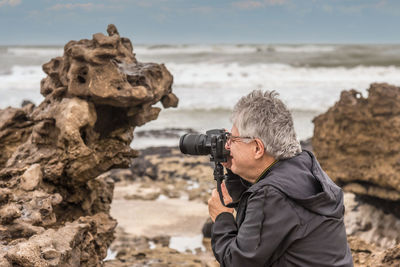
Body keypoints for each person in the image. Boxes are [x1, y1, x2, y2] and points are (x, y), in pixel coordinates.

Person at [207, 90, 353, 267]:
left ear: (258, 149)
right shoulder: (304, 165)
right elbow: (254, 224)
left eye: (233, 139)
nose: (227, 145)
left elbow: (237, 261)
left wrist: (222, 217)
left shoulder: (272, 195)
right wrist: (234, 170)